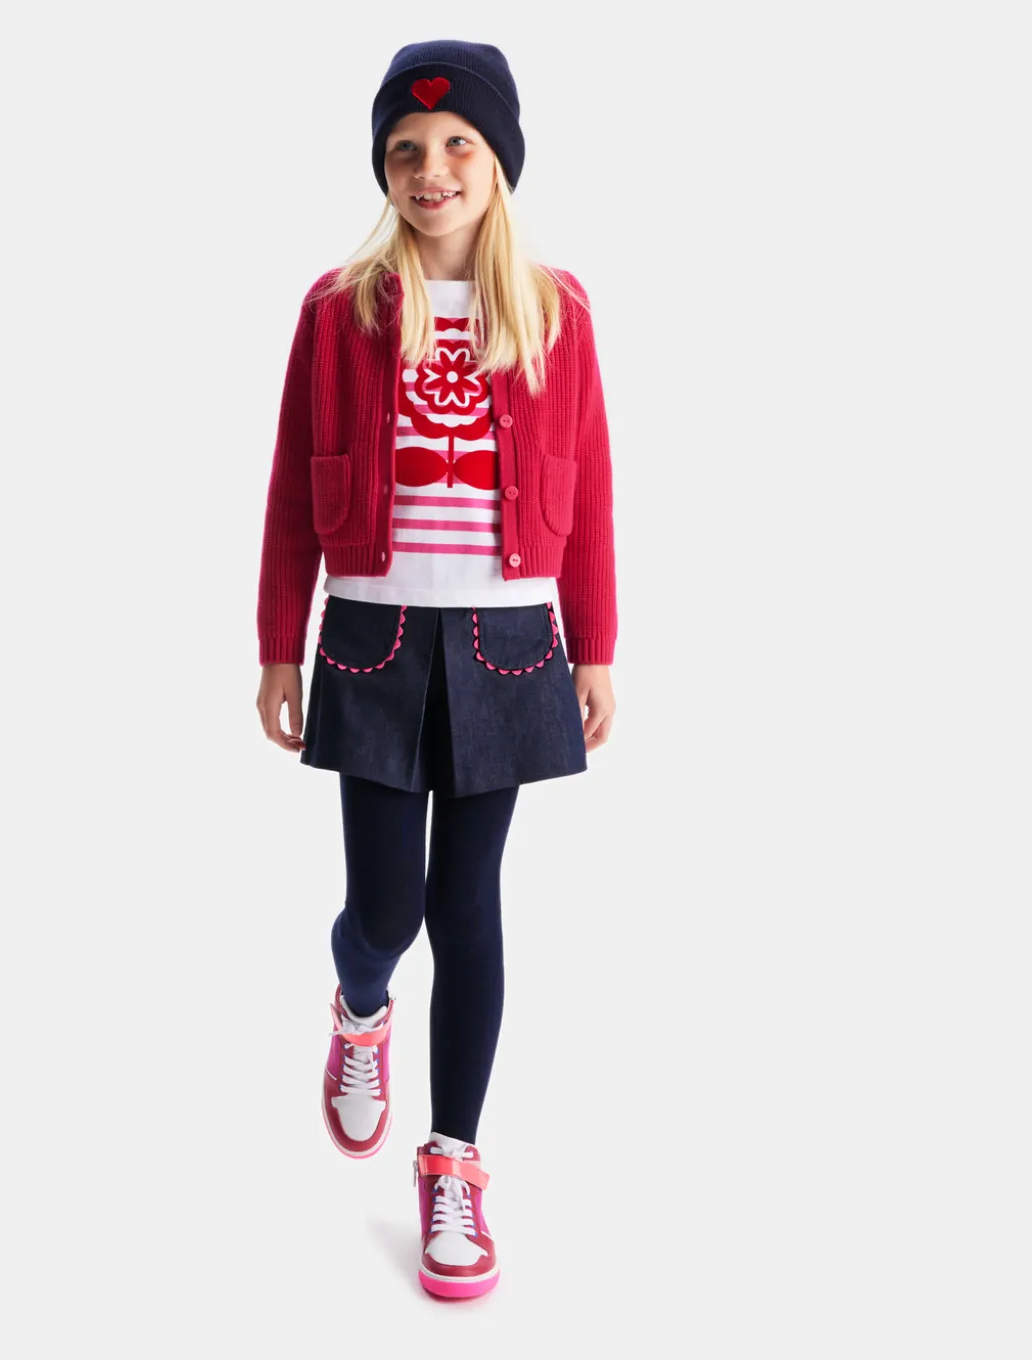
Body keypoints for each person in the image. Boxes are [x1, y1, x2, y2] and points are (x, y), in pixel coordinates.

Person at [255, 39, 619, 1300]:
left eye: (459, 144)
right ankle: (361, 1001)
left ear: (499, 162)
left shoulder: (556, 311)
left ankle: (452, 1158)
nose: (432, 169)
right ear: (383, 169)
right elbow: (290, 491)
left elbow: (594, 487)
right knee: (390, 910)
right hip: (374, 635)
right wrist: (276, 643)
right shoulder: (337, 308)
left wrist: (597, 644)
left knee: (467, 905)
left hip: (508, 642)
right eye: (406, 150)